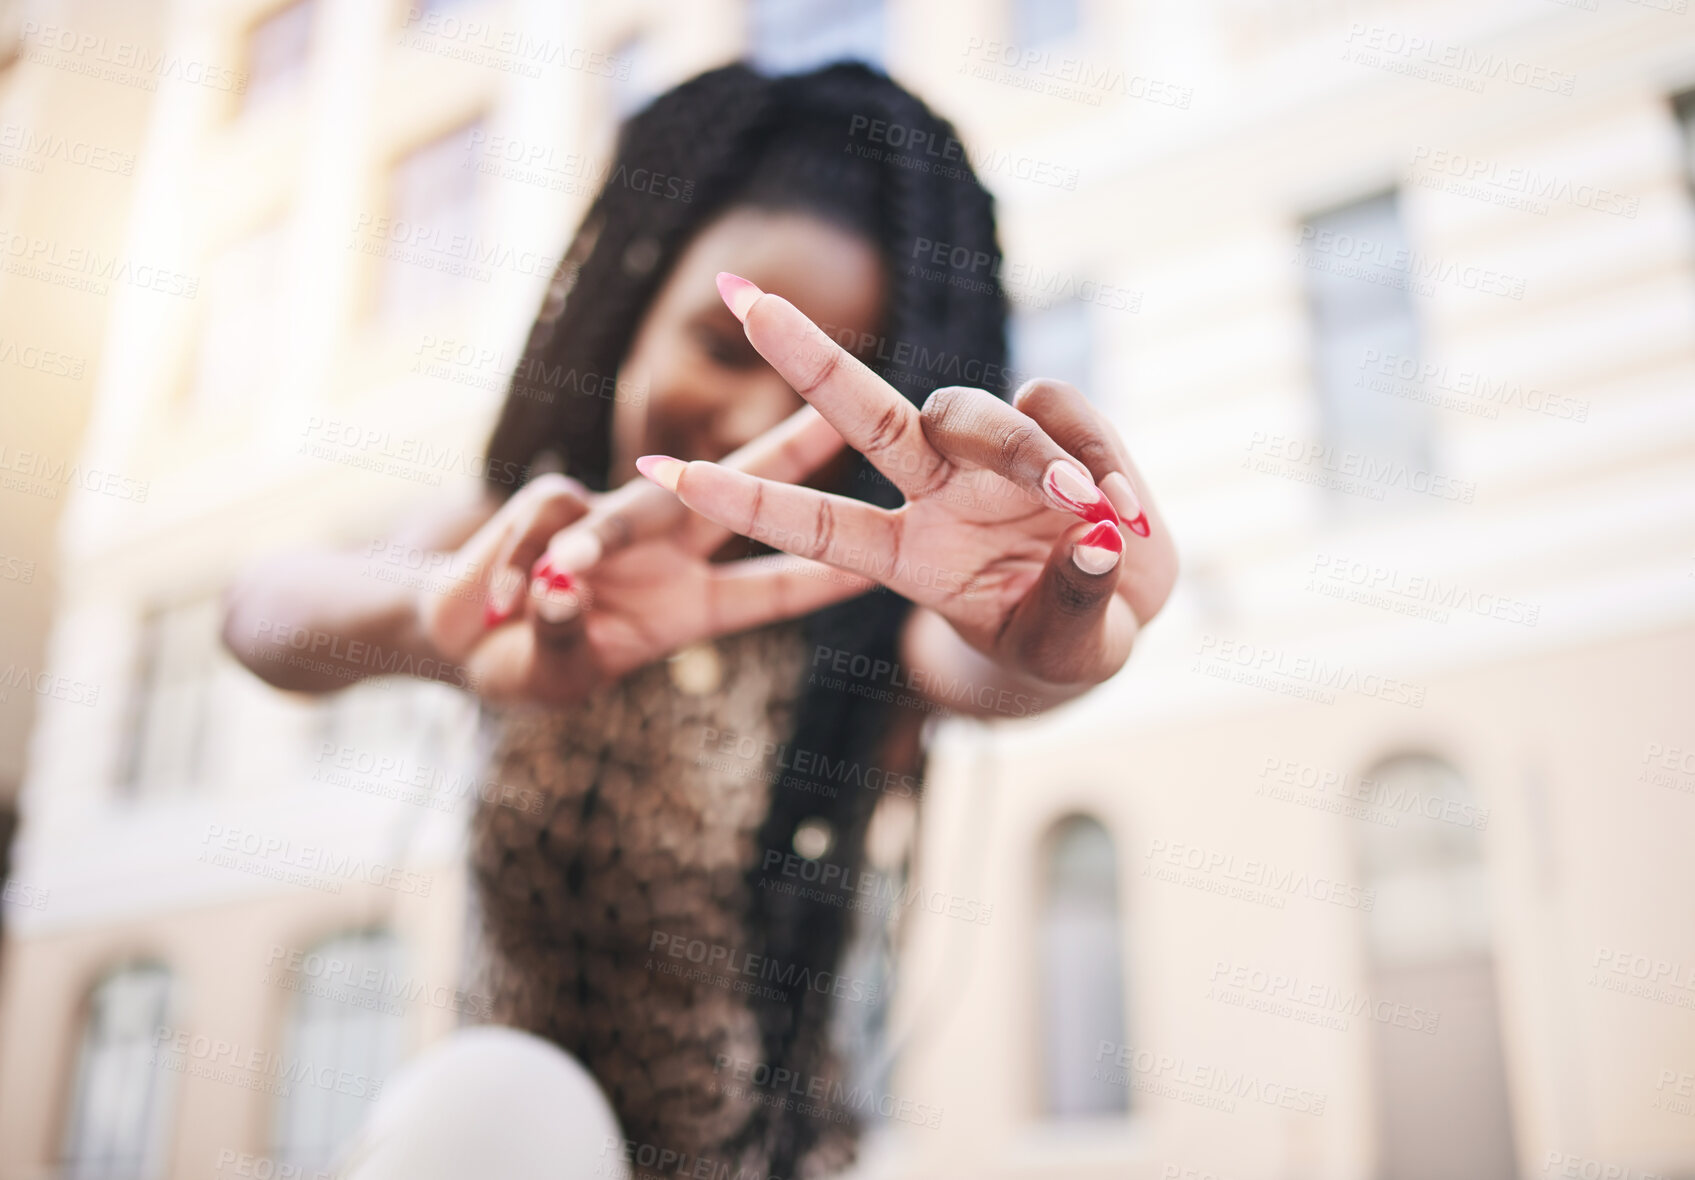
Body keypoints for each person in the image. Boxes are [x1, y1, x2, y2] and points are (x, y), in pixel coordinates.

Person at [223, 61, 1176, 1179]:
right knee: (495, 1100)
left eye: (826, 393)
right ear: (628, 319)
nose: (758, 418)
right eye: (725, 347)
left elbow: (996, 667)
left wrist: (1075, 628)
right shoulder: (524, 536)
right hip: (495, 1144)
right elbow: (262, 610)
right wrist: (431, 621)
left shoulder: (874, 626)